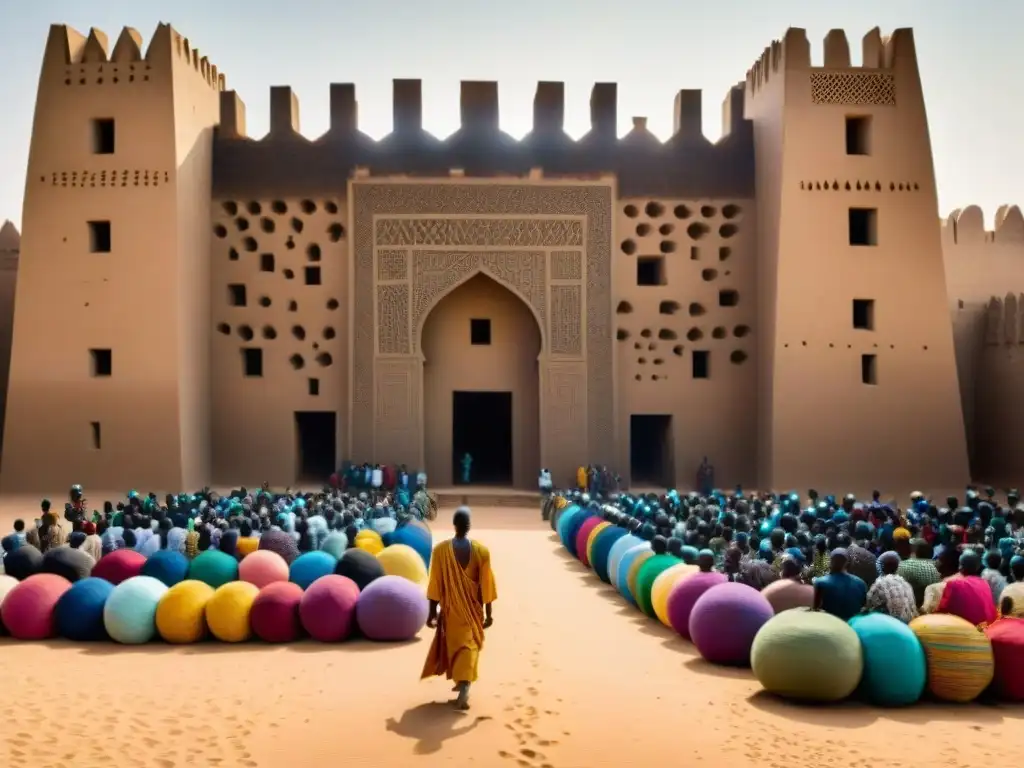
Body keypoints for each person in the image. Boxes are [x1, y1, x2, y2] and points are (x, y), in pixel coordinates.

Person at [421, 506, 497, 711]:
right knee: (469, 647)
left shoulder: (440, 551)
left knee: (456, 646)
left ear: (454, 525)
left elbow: (435, 585)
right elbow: (486, 585)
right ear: (469, 526)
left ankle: (463, 685)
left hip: (451, 611)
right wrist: (489, 614)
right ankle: (463, 684)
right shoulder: (481, 551)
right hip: (473, 611)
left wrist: (431, 613)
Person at [931, 550, 997, 625]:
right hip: (988, 625)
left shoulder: (953, 584)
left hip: (967, 627)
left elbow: (943, 608)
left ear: (960, 567)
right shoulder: (984, 583)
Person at [813, 549, 867, 621]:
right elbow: (863, 606)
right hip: (852, 626)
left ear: (831, 561)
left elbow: (815, 609)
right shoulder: (860, 583)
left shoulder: (820, 582)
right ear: (847, 562)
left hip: (830, 625)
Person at [865, 552, 918, 623]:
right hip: (911, 622)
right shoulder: (905, 582)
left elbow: (869, 604)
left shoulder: (880, 583)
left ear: (881, 567)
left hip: (893, 624)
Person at [897, 538, 941, 607]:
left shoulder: (903, 565)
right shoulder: (936, 566)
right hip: (929, 604)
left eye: (913, 547)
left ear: (916, 551)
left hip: (910, 604)